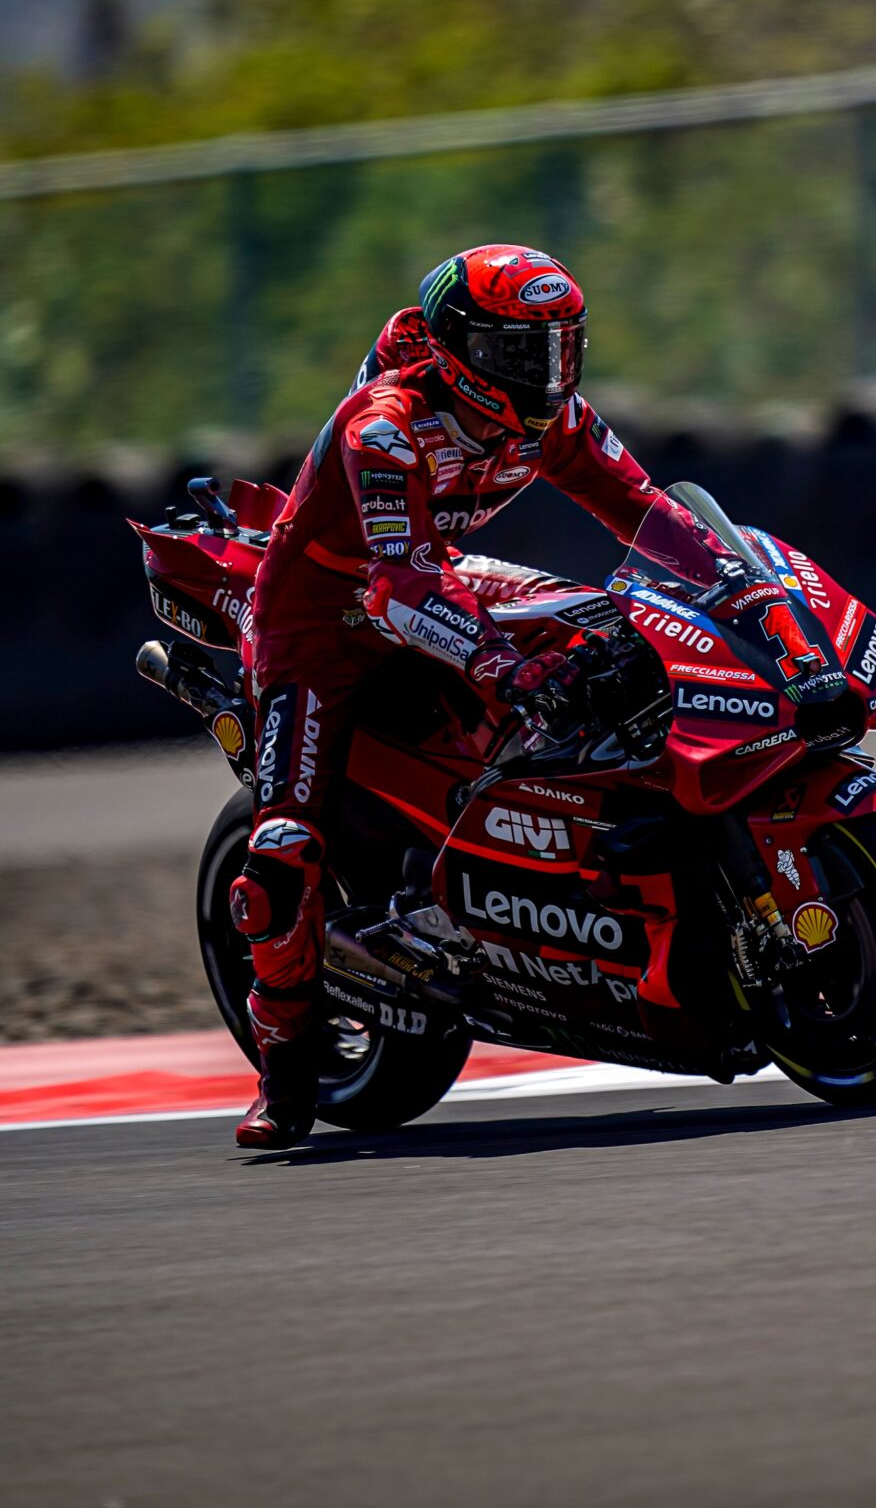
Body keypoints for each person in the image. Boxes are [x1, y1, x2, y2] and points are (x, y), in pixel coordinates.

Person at [227, 244, 671, 1148]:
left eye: (562, 350)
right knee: (282, 851)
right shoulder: (384, 426)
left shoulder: (556, 421)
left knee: (600, 627)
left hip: (431, 577)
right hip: (321, 625)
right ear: (458, 346)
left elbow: (649, 513)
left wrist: (745, 588)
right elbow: (398, 590)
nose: (547, 377)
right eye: (521, 354)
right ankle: (285, 1070)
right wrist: (506, 667)